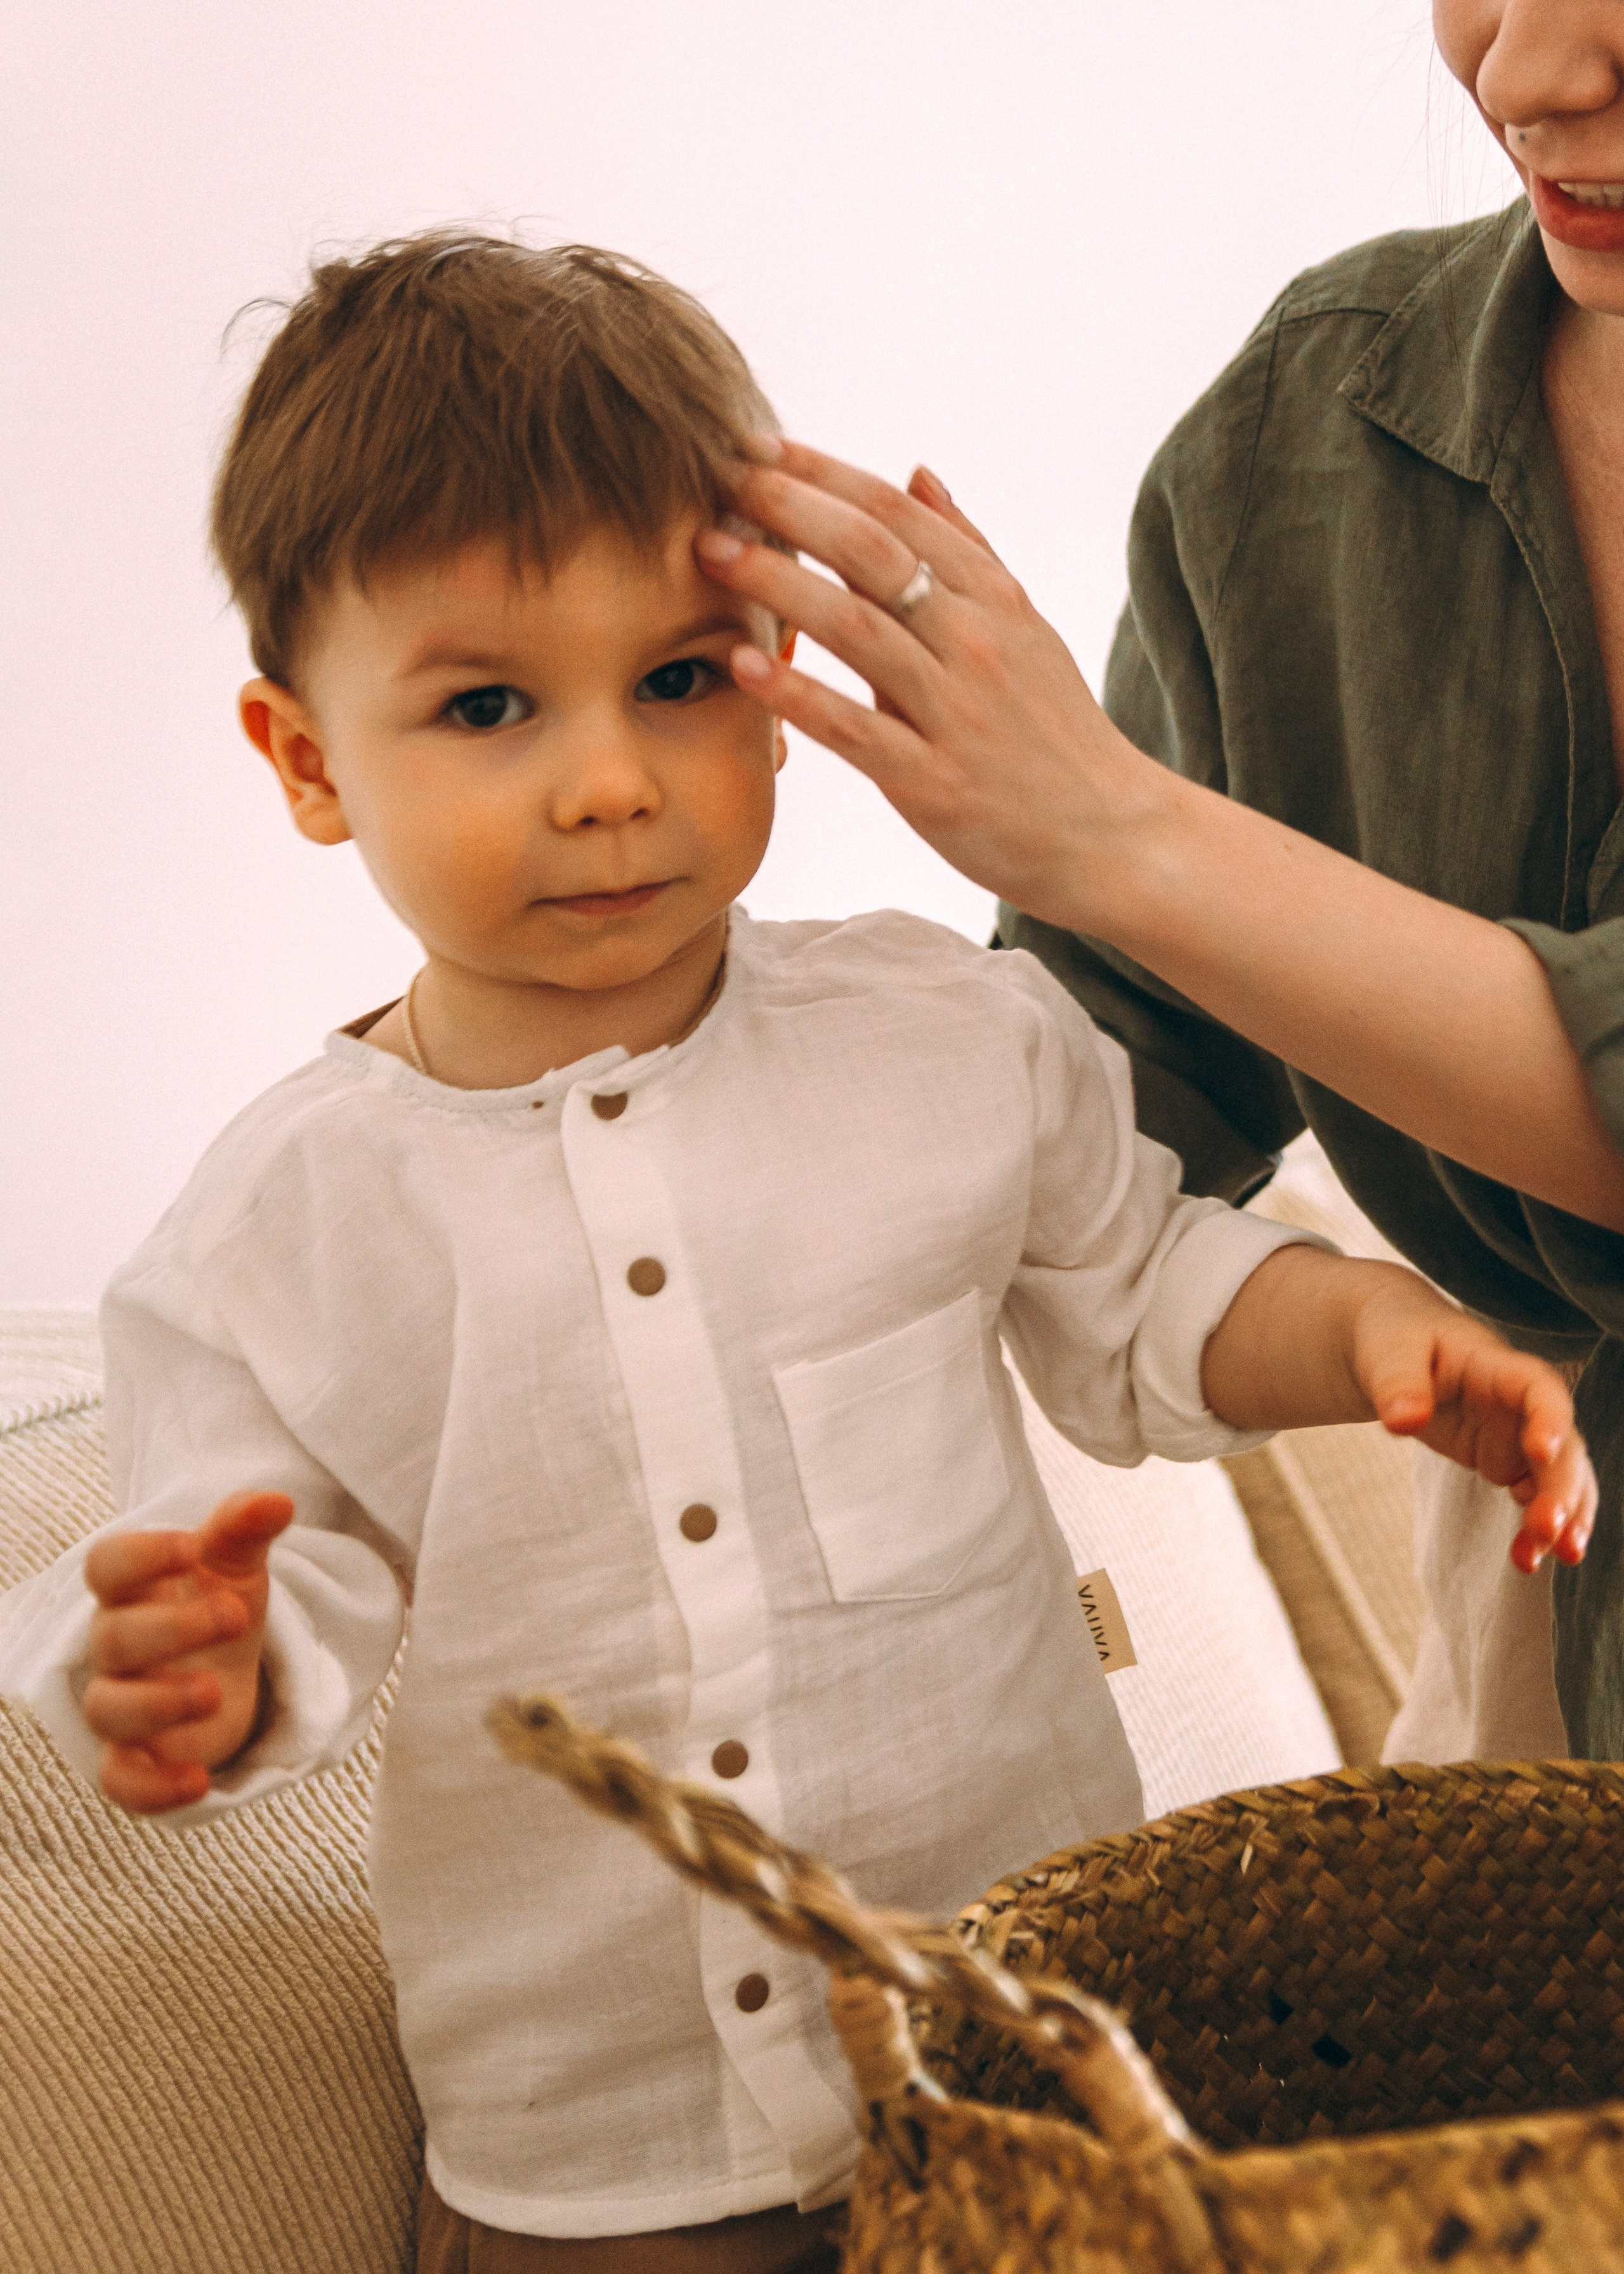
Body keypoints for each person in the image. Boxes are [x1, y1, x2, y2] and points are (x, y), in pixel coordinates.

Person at [0, 234, 1592, 2273]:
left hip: (1033, 2099)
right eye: (487, 706)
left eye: (679, 680)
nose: (607, 783)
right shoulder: (272, 1234)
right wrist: (193, 1668)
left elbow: (1151, 1298)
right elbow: (261, 1584)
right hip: (596, 2172)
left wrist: (1370, 1326)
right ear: (309, 760)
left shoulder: (947, 1033)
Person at [691, 0, 1624, 1770]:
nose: (1521, 74)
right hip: (1530, 1702)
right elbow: (1099, 1116)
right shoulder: (1316, 424)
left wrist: (1118, 833)